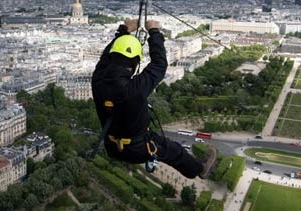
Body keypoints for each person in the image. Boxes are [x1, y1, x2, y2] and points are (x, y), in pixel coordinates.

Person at [92, 19, 216, 179]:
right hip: (137, 147)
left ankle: (198, 168)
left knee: (170, 149)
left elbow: (106, 58)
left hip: (111, 145)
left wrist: (123, 31)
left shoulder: (98, 79)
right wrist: (154, 32)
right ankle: (199, 169)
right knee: (175, 152)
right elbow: (159, 64)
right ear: (135, 63)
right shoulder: (133, 88)